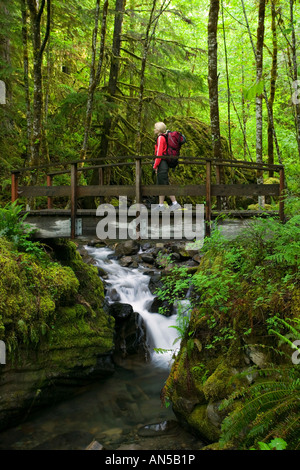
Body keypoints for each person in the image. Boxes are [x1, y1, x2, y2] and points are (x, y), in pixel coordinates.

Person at [153, 121, 181, 211]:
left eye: (155, 128)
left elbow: (159, 153)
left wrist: (155, 165)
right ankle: (161, 205)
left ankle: (175, 203)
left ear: (158, 130)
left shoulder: (161, 138)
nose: (154, 130)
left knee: (164, 184)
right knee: (163, 183)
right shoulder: (163, 137)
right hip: (163, 163)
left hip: (162, 163)